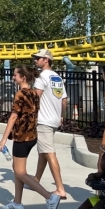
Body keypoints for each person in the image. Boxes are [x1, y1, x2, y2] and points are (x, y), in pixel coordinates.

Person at [0, 64, 62, 209]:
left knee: (21, 172)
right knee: (17, 169)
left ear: (23, 77)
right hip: (32, 136)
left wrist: (3, 138)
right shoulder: (34, 93)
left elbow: (13, 116)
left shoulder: (20, 94)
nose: (13, 77)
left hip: (21, 137)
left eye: (15, 75)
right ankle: (17, 203)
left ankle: (50, 197)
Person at [32, 48, 69, 200]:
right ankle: (36, 180)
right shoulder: (57, 77)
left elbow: (35, 98)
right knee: (43, 151)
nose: (35, 60)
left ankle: (60, 188)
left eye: (38, 58)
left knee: (49, 152)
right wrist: (61, 116)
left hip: (43, 120)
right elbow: (64, 100)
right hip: (54, 119)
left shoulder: (42, 77)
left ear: (46, 60)